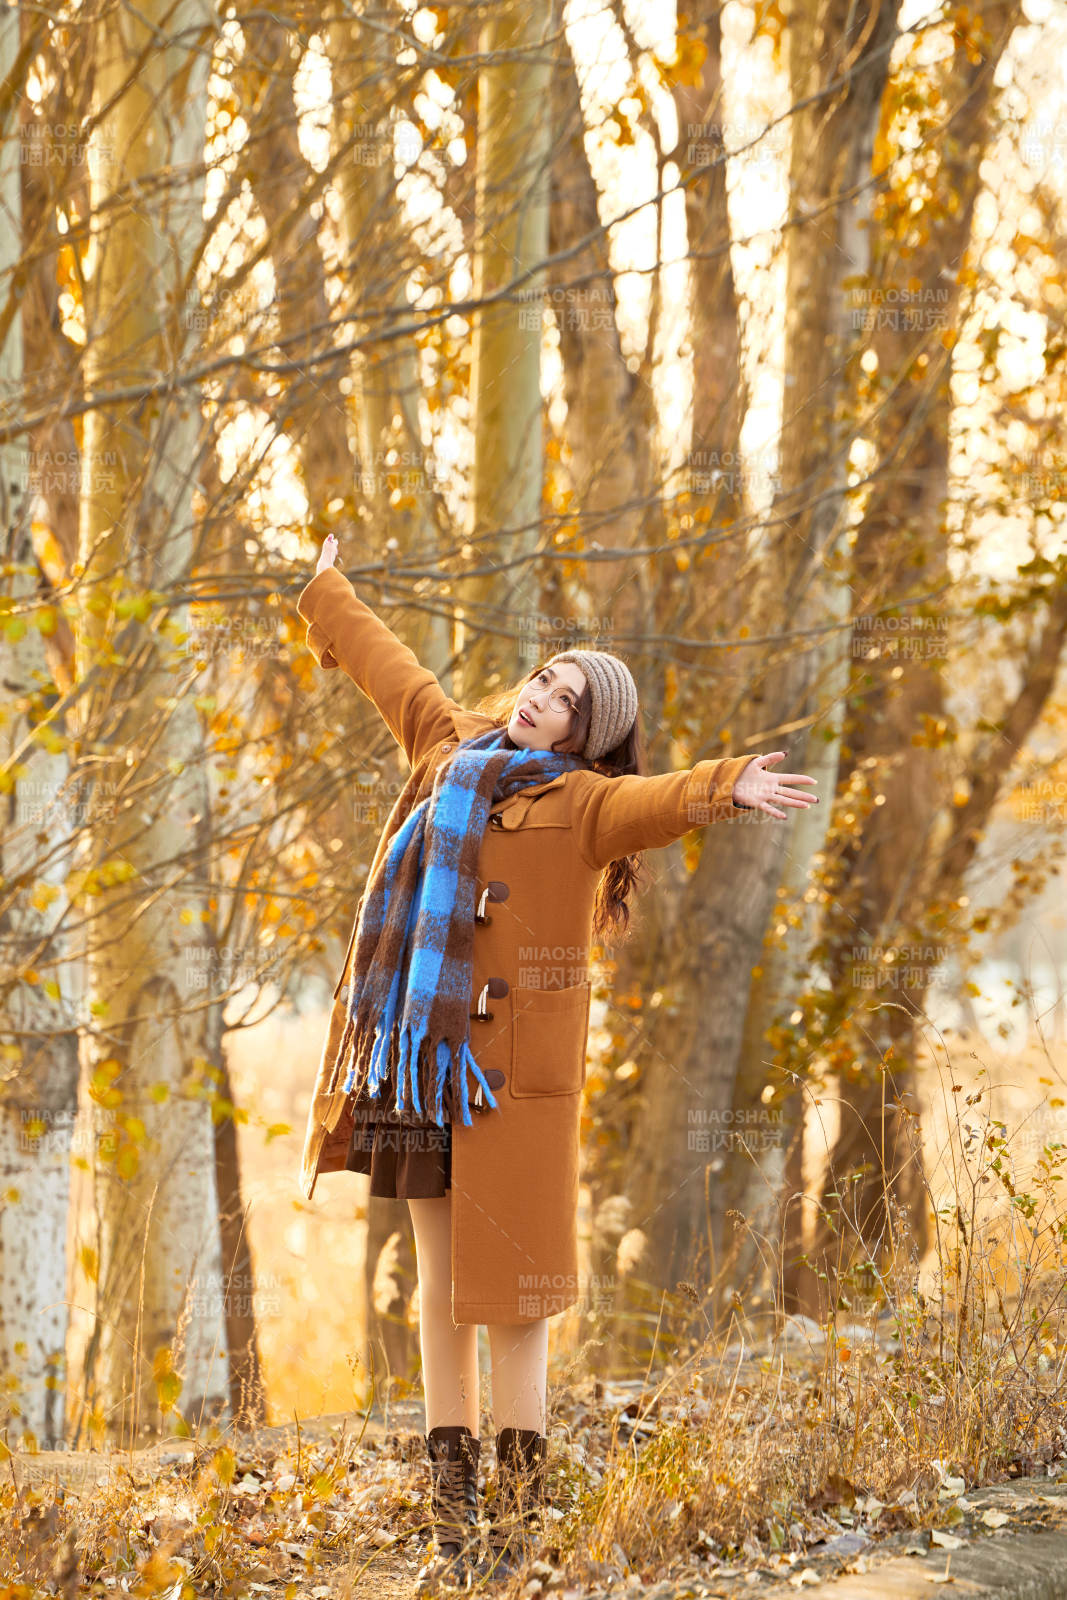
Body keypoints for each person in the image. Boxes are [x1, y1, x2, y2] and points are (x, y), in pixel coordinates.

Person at [296, 533, 819, 1588]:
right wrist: (325, 588)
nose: (541, 695)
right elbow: (387, 663)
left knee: (517, 1303)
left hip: (508, 1092)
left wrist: (729, 787)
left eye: (568, 698)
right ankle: (454, 1526)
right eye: (544, 677)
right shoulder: (448, 750)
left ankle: (518, 1527)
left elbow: (656, 800)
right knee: (443, 1291)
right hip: (415, 1066)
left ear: (589, 736)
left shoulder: (580, 805)